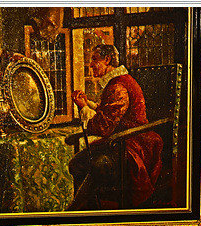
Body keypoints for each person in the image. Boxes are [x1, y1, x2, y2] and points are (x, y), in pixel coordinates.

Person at [68, 44, 163, 210]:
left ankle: (79, 208)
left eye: (94, 60)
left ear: (107, 60)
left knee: (84, 164)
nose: (91, 65)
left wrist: (83, 107)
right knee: (78, 162)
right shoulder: (117, 82)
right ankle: (87, 208)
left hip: (132, 145)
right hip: (121, 141)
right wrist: (88, 104)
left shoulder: (118, 86)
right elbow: (109, 112)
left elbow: (103, 127)